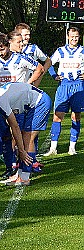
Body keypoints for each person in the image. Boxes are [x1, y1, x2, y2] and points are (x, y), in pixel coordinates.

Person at [0, 32, 44, 178]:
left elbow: (40, 68)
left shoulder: (20, 59)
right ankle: (10, 167)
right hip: (2, 102)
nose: (0, 52)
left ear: (8, 45)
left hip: (18, 105)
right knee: (4, 137)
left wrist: (27, 85)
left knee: (20, 135)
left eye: (2, 48)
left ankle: (24, 168)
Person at [0, 82, 51, 186]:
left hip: (39, 103)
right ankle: (20, 174)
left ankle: (24, 177)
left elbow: (15, 126)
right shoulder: (1, 95)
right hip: (32, 104)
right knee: (24, 136)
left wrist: (21, 150)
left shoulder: (0, 99)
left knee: (28, 138)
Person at [44, 26, 84, 156]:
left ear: (79, 37)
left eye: (76, 36)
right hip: (64, 86)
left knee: (75, 116)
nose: (74, 39)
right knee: (57, 116)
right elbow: (49, 63)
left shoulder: (82, 51)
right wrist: (54, 75)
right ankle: (53, 148)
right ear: (67, 37)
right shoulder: (60, 51)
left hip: (78, 86)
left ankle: (72, 147)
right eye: (72, 36)